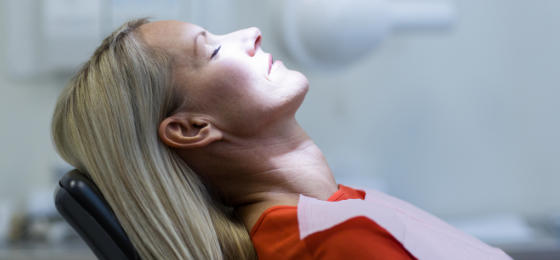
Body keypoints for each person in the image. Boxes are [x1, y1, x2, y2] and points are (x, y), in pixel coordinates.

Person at [51, 19, 511, 260]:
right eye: (212, 49)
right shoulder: (332, 243)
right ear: (192, 128)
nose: (251, 34)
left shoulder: (328, 218)